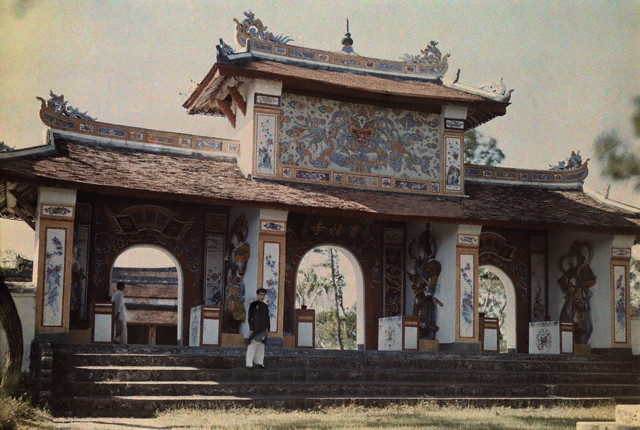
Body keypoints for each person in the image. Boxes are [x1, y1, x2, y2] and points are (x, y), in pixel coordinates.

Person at [245, 288, 270, 369]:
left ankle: (259, 362)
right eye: (260, 295)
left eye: (263, 295)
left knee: (261, 345)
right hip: (255, 328)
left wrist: (268, 329)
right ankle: (249, 363)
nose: (262, 296)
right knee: (252, 345)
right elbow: (250, 317)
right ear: (257, 295)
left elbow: (267, 318)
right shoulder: (253, 305)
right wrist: (251, 328)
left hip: (263, 328)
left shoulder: (265, 306)